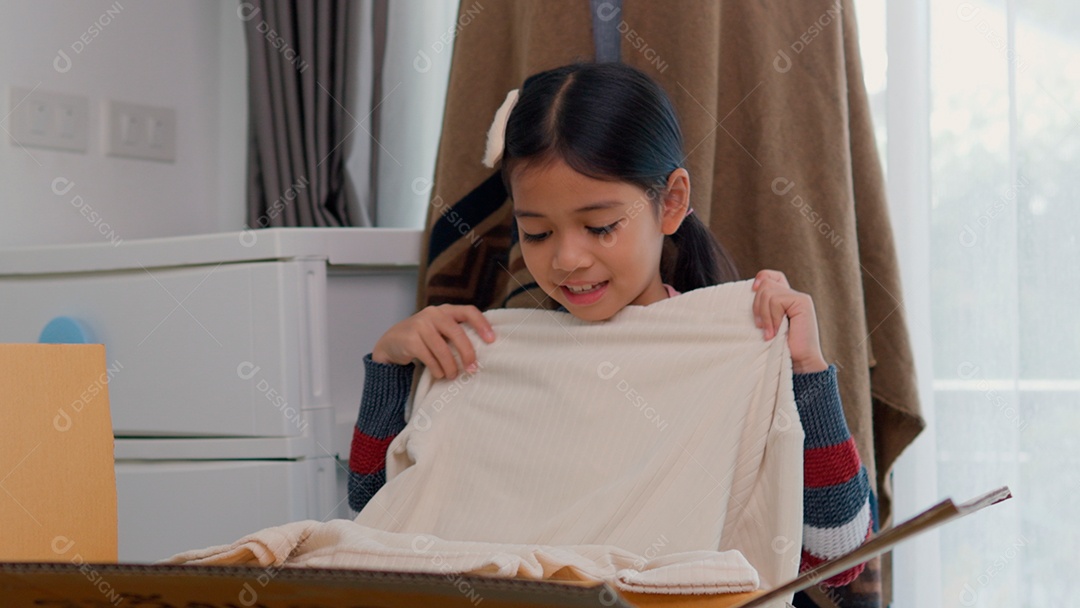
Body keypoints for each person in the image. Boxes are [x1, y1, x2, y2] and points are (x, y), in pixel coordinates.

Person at [348, 62, 871, 587]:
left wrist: (805, 371)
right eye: (537, 233)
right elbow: (376, 525)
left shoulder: (736, 362)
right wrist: (390, 369)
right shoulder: (486, 358)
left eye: (600, 227)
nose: (567, 259)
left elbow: (837, 559)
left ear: (672, 203)